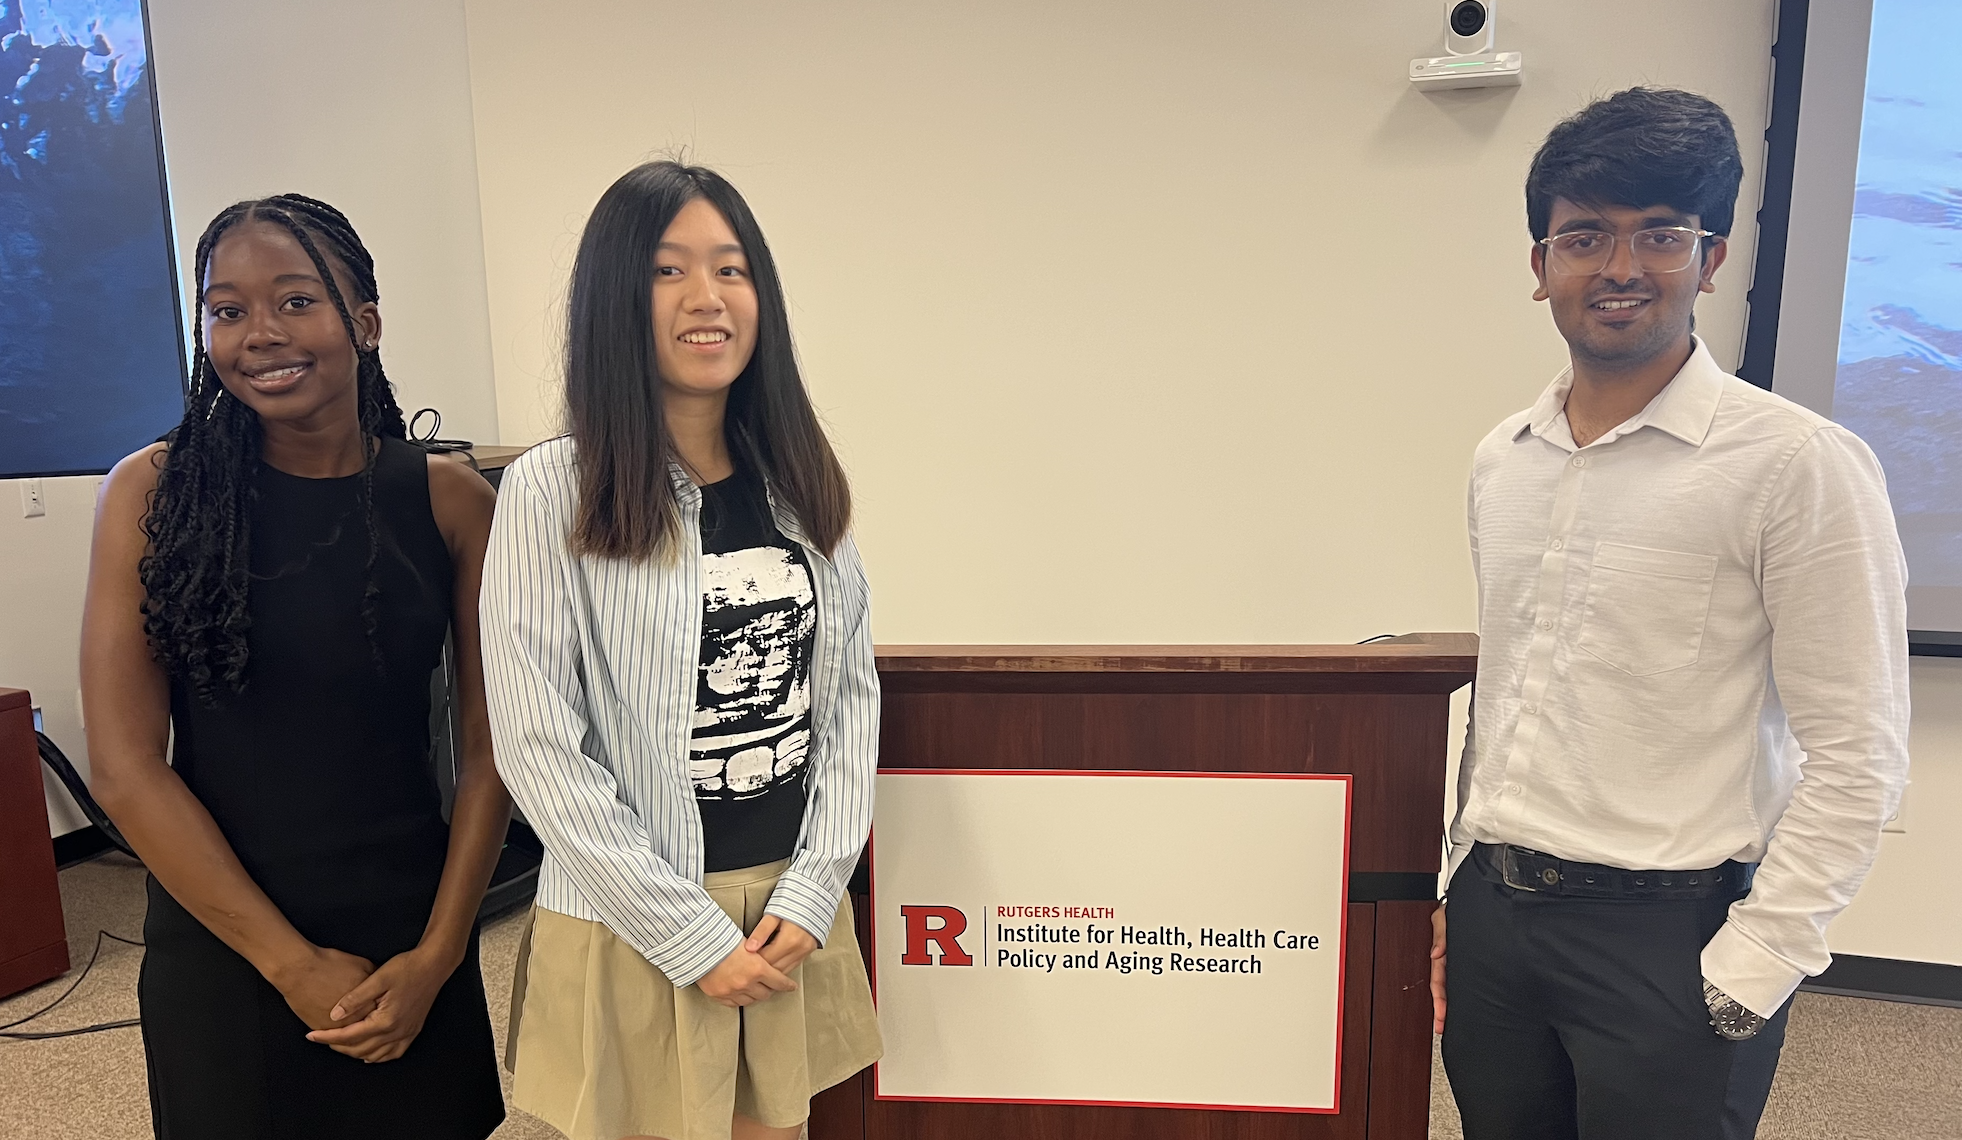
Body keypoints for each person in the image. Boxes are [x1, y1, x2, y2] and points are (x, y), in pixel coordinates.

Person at [1431, 87, 1911, 1140]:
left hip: (1673, 938)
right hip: (1496, 923)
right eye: (1584, 235)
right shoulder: (1501, 460)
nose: (1619, 267)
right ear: (1539, 263)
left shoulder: (1797, 465)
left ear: (1712, 257)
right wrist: (1452, 894)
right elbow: (1508, 694)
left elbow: (1860, 751)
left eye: (1659, 234)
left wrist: (1762, 960)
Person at [80, 194, 510, 1139]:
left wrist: (439, 955)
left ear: (364, 322)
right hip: (222, 936)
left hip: (410, 925)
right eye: (226, 311)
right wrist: (291, 964)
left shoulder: (451, 502)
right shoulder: (150, 494)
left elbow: (493, 753)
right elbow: (124, 767)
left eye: (296, 300)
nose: (261, 334)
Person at [481, 160, 882, 1140]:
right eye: (669, 271)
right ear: (617, 297)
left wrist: (818, 881)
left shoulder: (801, 484)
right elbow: (535, 743)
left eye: (732, 268)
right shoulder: (551, 492)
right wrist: (689, 936)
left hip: (783, 907)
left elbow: (849, 702)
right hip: (634, 913)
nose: (708, 298)